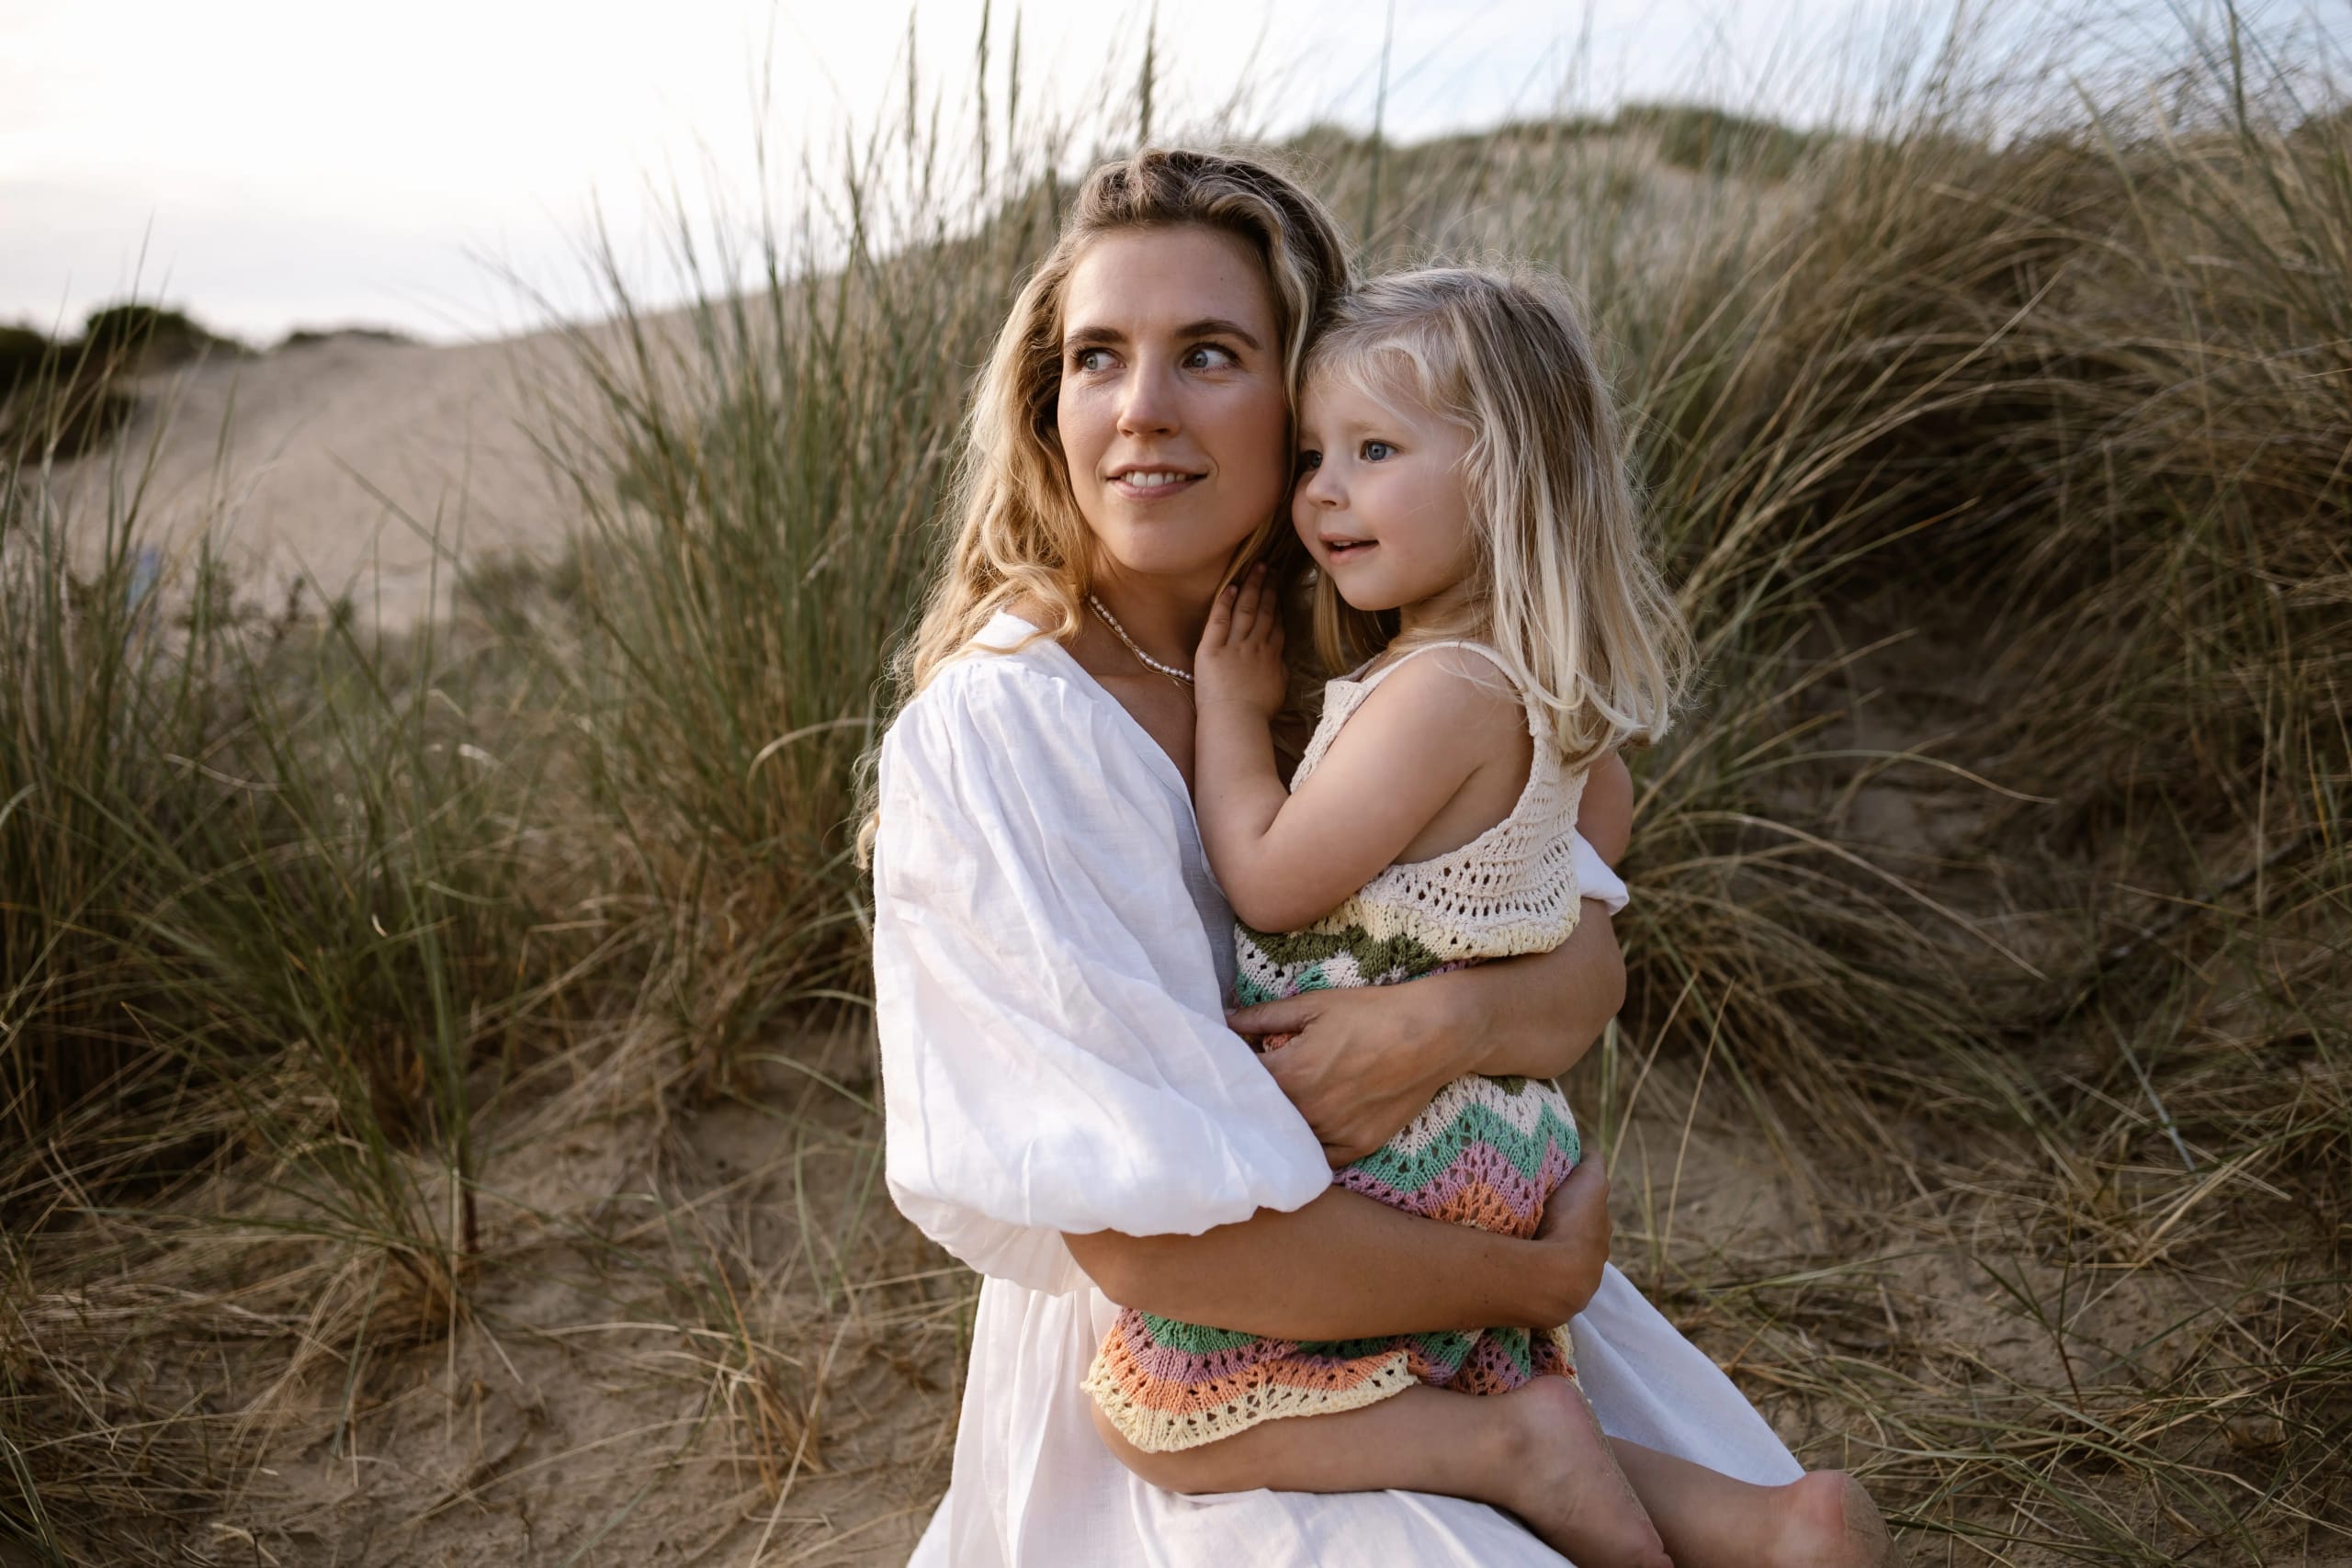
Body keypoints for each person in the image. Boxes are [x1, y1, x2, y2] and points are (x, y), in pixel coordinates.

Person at [869, 146, 1885, 1565]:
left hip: (1437, 1265)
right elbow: (1138, 1236)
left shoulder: (1368, 653)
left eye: (1208, 354)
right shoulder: (1001, 731)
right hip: (1217, 1347)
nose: (1142, 407)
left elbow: (1589, 964)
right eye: (1097, 357)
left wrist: (1439, 1024)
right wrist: (1530, 1280)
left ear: (1305, 393)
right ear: (1049, 404)